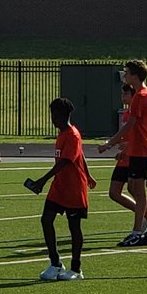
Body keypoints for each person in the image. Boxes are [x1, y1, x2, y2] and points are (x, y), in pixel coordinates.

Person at [97, 60, 147, 246]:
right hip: (137, 149)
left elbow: (131, 125)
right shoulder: (142, 95)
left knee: (138, 191)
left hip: (141, 148)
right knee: (134, 188)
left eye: (127, 73)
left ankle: (139, 230)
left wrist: (109, 143)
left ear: (135, 75)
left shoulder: (141, 96)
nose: (125, 75)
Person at [30, 97, 93, 281]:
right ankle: (56, 263)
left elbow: (66, 161)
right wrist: (89, 174)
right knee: (46, 220)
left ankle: (76, 269)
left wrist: (42, 180)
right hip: (59, 187)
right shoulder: (62, 133)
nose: (51, 118)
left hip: (73, 188)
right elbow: (80, 154)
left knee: (74, 227)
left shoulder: (72, 134)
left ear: (58, 116)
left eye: (53, 114)